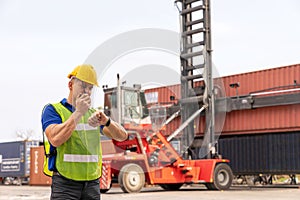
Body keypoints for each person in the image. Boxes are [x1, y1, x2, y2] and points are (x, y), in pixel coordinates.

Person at [41, 64, 128, 200]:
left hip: (92, 185)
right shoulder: (53, 110)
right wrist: (79, 112)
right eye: (83, 86)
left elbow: (123, 136)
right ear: (71, 85)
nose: (87, 91)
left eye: (90, 88)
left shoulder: (94, 114)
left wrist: (107, 122)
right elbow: (55, 139)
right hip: (65, 184)